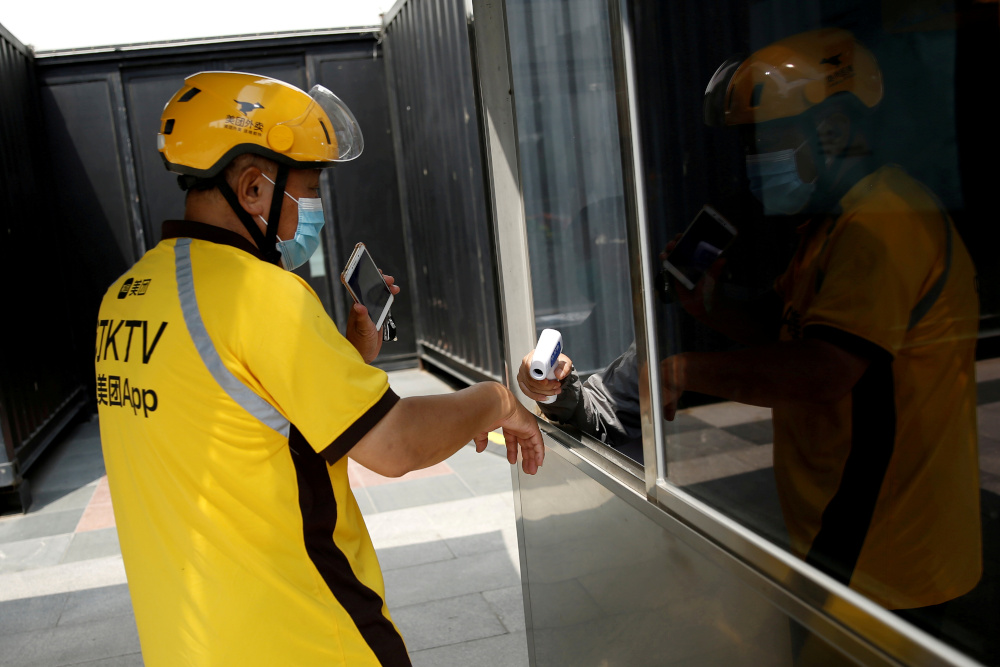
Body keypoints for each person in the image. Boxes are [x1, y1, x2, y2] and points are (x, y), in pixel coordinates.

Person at [519, 28, 981, 620]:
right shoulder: (831, 227)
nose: (754, 160)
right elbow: (790, 333)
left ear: (834, 131)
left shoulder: (881, 223)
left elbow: (823, 369)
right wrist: (709, 309)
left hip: (889, 560)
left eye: (768, 140)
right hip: (845, 550)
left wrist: (683, 372)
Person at [95, 71, 544, 667]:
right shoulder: (264, 296)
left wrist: (347, 362)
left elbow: (235, 417)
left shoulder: (127, 296)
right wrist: (498, 401)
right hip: (304, 638)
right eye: (307, 189)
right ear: (254, 188)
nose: (313, 210)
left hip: (189, 642)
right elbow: (395, 446)